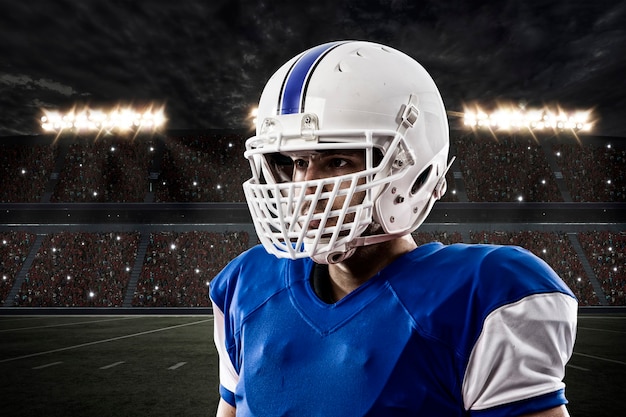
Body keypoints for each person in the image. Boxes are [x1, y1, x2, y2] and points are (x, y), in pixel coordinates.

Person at [210, 40, 578, 417]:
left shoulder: (482, 296)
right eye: (296, 162)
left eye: (337, 161)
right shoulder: (246, 285)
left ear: (412, 169)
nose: (306, 189)